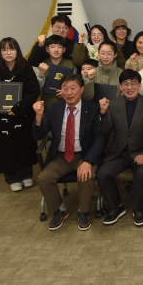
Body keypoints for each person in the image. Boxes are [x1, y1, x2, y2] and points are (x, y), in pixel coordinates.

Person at [32, 74, 104, 231]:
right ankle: (60, 209)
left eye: (73, 88)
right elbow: (38, 135)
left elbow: (99, 138)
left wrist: (88, 161)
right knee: (44, 178)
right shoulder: (53, 109)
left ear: (82, 89)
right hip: (60, 156)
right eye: (65, 88)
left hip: (83, 155)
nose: (69, 92)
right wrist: (38, 116)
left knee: (86, 175)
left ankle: (83, 212)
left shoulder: (92, 109)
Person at [96, 69, 143, 227]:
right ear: (120, 86)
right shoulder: (113, 104)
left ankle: (138, 210)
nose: (129, 87)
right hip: (118, 152)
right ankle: (117, 207)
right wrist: (103, 112)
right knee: (102, 174)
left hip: (140, 152)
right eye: (125, 84)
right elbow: (104, 129)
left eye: (133, 83)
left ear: (140, 85)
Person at [0, 38, 40, 192]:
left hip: (22, 114)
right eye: (4, 49)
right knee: (5, 147)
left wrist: (20, 107)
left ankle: (26, 175)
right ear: (0, 52)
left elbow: (33, 91)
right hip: (1, 117)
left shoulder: (26, 69)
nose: (8, 53)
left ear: (17, 51)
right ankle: (12, 178)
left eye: (12, 49)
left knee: (25, 144)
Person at [33, 35, 76, 110]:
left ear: (64, 49)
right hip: (47, 105)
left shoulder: (71, 65)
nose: (56, 50)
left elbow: (75, 86)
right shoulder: (42, 65)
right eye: (52, 47)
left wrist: (66, 92)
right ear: (47, 49)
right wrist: (41, 74)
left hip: (67, 105)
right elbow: (37, 89)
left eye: (59, 47)